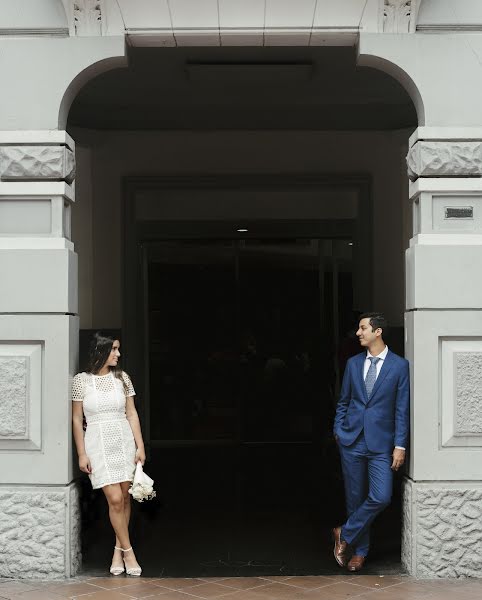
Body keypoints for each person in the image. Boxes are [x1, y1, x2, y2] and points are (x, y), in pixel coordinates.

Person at [332, 312, 409, 572]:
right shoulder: (353, 364)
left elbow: (401, 408)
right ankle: (360, 552)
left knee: (381, 496)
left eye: (363, 328)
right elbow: (343, 401)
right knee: (355, 499)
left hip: (381, 445)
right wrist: (338, 431)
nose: (358, 333)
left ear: (378, 332)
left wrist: (400, 445)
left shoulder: (399, 366)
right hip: (351, 441)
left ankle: (345, 532)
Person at [72, 332, 146, 576]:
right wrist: (82, 453)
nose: (118, 354)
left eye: (118, 349)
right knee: (114, 499)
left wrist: (140, 446)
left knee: (125, 498)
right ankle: (129, 552)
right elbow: (76, 418)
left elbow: (132, 413)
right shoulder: (81, 381)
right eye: (114, 349)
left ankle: (117, 549)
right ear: (100, 350)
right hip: (97, 442)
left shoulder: (123, 378)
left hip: (123, 439)